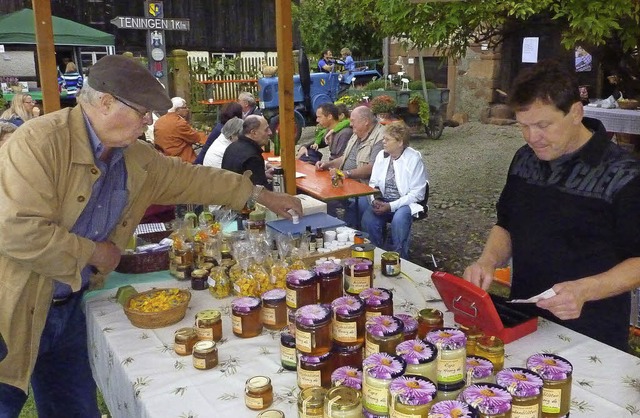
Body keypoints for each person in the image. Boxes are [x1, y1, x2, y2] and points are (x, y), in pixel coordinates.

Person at [0, 54, 302, 418]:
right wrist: (96, 253)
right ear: (106, 102)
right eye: (142, 111)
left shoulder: (134, 156)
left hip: (70, 307)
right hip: (12, 306)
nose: (148, 121)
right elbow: (16, 230)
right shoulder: (38, 142)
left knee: (73, 408)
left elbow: (196, 179)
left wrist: (263, 195)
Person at [463, 59, 640, 351]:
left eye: (543, 125)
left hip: (592, 333)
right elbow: (507, 223)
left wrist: (585, 290)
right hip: (524, 319)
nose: (533, 138)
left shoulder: (623, 174)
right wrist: (488, 261)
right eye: (524, 126)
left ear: (576, 113)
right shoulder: (524, 158)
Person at [361, 122, 427, 259]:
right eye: (383, 138)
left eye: (387, 139)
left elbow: (418, 193)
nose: (382, 142)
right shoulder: (381, 155)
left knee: (399, 219)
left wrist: (391, 206)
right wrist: (376, 199)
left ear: (400, 142)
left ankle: (400, 258)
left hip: (406, 203)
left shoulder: (413, 159)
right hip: (385, 200)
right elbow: (373, 182)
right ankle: (376, 255)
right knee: (369, 219)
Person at [316, 106, 385, 227]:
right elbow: (345, 158)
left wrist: (346, 174)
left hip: (364, 186)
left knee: (352, 204)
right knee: (322, 194)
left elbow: (372, 168)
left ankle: (352, 233)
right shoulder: (356, 133)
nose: (350, 124)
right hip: (346, 181)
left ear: (366, 122)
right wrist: (327, 164)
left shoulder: (380, 138)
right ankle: (332, 230)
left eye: (353, 121)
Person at [222, 115, 273, 189]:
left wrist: (263, 175)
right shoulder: (253, 157)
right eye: (266, 130)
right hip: (243, 198)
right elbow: (260, 192)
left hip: (229, 196)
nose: (270, 132)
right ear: (254, 133)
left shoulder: (232, 147)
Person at [153, 96, 207, 163]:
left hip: (165, 158)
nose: (187, 110)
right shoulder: (179, 123)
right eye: (185, 107)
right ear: (178, 110)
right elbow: (196, 138)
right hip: (182, 160)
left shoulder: (159, 121)